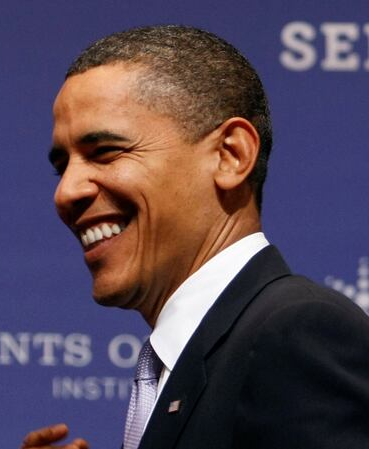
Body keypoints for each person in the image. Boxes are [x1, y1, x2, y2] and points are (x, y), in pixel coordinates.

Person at [22, 25, 369, 449]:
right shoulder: (195, 357)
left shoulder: (295, 334)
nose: (66, 191)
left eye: (106, 152)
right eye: (63, 166)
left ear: (231, 156)